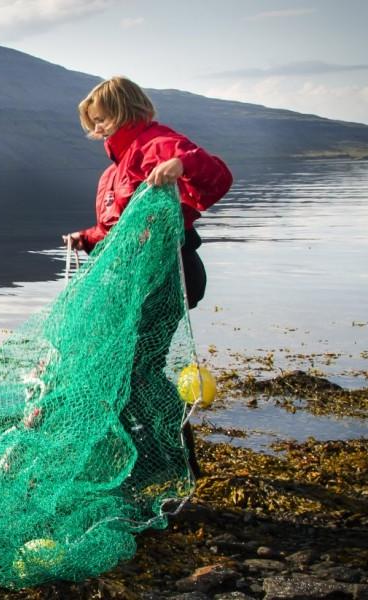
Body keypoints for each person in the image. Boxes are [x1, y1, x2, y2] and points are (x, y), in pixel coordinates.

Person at [63, 76, 233, 485]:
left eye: (103, 119)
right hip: (130, 282)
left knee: (139, 369)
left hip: (166, 277)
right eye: (94, 123)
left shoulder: (155, 144)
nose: (98, 129)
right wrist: (85, 238)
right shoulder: (113, 173)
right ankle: (150, 454)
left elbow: (217, 176)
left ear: (124, 110)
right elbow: (117, 229)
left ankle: (176, 458)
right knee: (122, 369)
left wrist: (180, 165)